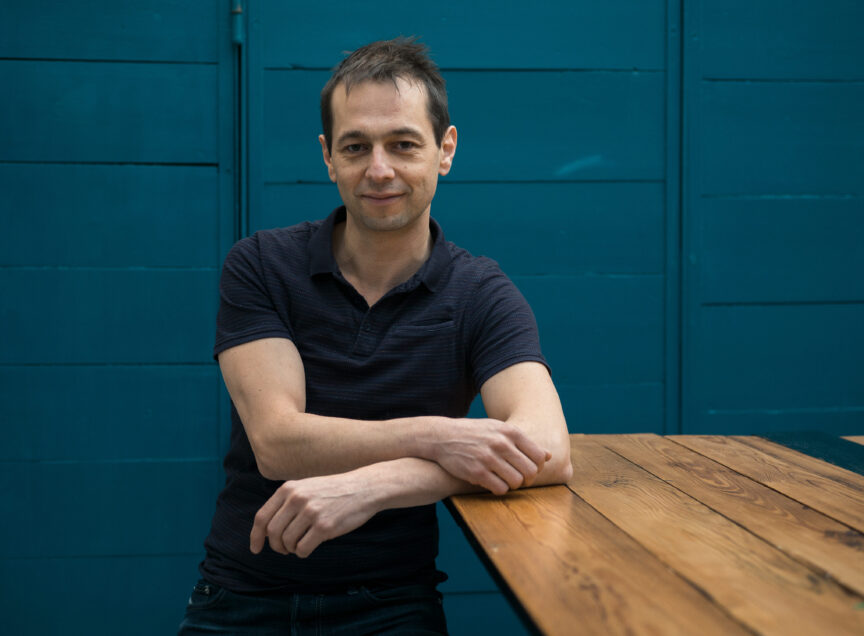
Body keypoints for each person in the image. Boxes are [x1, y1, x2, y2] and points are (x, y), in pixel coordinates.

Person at [179, 37, 572, 635]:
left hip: (392, 604)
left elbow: (547, 449)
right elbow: (278, 443)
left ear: (445, 149)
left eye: (403, 144)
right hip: (240, 598)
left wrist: (379, 485)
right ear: (328, 157)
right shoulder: (262, 264)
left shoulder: (480, 294)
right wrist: (438, 437)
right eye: (356, 146)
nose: (379, 170)